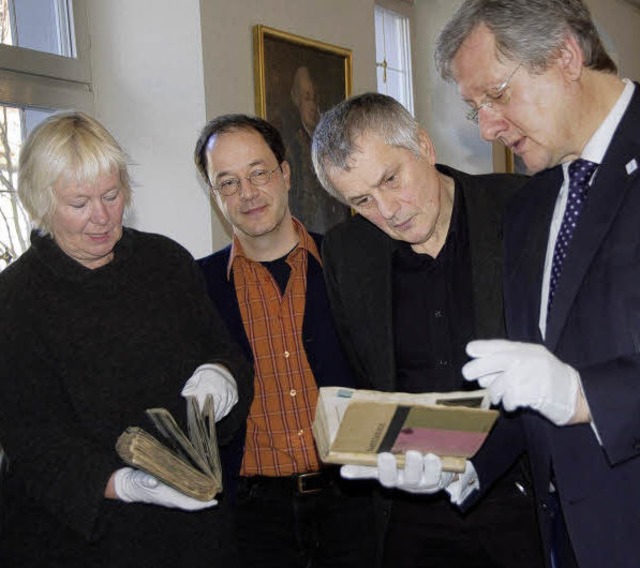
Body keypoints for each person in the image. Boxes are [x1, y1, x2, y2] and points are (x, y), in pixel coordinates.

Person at [434, 1, 640, 566]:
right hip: (567, 539)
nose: (486, 127)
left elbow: (565, 389)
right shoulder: (527, 208)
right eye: (475, 107)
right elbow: (535, 385)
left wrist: (583, 396)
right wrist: (460, 460)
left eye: (496, 95)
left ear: (564, 58)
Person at [0, 111, 253, 567]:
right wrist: (122, 483)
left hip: (189, 531)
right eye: (79, 203)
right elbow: (31, 439)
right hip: (80, 538)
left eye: (112, 195)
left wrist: (223, 376)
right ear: (40, 204)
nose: (101, 217)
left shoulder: (166, 262)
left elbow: (222, 352)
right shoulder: (15, 298)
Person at [311, 92, 543, 568]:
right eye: (362, 201)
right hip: (412, 506)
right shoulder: (347, 252)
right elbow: (363, 376)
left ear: (423, 145)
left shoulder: (518, 208)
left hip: (521, 491)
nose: (389, 210)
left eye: (391, 179)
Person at [193, 114, 377, 568]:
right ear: (214, 196)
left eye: (259, 173)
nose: (248, 193)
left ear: (286, 173)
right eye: (228, 182)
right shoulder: (195, 288)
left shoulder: (348, 263)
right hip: (252, 520)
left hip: (354, 504)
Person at [283, 66, 350, 234]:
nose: (313, 106)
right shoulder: (294, 149)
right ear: (297, 100)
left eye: (315, 98)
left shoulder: (330, 145)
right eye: (307, 98)